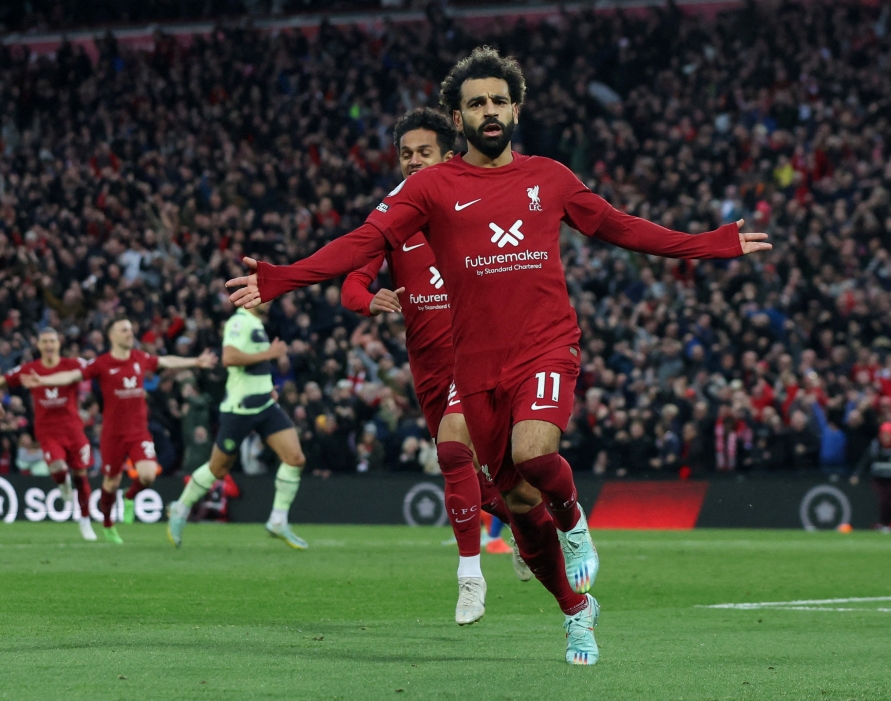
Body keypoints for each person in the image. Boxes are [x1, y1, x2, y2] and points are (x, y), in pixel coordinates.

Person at [226, 47, 771, 665]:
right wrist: (282, 278)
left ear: (517, 107)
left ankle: (575, 527)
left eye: (498, 101)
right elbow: (364, 241)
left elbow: (622, 227)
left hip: (546, 344)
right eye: (476, 103)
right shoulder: (429, 187)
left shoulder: (551, 178)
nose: (489, 111)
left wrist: (713, 244)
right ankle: (575, 611)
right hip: (475, 366)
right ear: (456, 120)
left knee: (533, 451)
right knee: (515, 505)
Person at [340, 107, 525, 626]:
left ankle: (469, 577)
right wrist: (367, 297)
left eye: (423, 152)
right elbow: (352, 279)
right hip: (428, 369)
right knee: (474, 479)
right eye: (405, 154)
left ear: (448, 155)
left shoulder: (472, 207)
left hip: (478, 358)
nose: (412, 162)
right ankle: (529, 528)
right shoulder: (391, 220)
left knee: (449, 448)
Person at [24, 316, 217, 543]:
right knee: (110, 483)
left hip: (138, 432)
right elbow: (72, 376)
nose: (129, 333)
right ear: (112, 336)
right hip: (112, 434)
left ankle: (129, 496)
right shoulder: (102, 363)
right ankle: (107, 524)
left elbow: (166, 361)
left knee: (147, 476)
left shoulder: (139, 357)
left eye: (130, 329)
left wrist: (195, 362)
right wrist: (44, 381)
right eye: (124, 330)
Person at [167, 300, 310, 549]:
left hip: (264, 404)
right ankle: (180, 508)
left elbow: (254, 367)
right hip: (240, 408)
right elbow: (229, 357)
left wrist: (267, 387)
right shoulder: (239, 321)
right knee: (218, 469)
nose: (269, 299)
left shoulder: (256, 324)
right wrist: (270, 354)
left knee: (295, 459)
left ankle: (278, 520)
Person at [0, 329, 96, 540]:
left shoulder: (72, 365)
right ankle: (63, 484)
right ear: (39, 346)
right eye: (45, 342)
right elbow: (4, 380)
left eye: (52, 341)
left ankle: (85, 521)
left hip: (73, 430)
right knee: (59, 468)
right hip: (48, 432)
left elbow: (99, 368)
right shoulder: (30, 369)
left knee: (81, 476)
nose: (49, 345)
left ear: (59, 343)